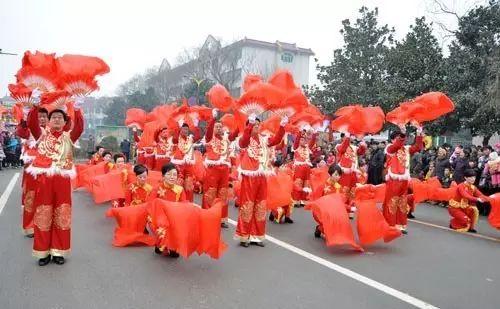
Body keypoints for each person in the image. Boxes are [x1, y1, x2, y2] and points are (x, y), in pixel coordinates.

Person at [27, 104, 84, 266]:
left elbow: (79, 128)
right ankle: (42, 252)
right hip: (44, 180)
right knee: (43, 214)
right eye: (54, 118)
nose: (57, 119)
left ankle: (59, 250)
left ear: (65, 122)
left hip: (62, 180)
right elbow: (31, 123)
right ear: (49, 122)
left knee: (62, 214)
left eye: (60, 117)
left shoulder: (69, 137)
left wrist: (78, 109)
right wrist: (34, 107)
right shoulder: (41, 134)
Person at [235, 114, 286, 247]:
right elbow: (244, 142)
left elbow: (276, 140)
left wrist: (282, 126)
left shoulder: (264, 140)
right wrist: (250, 125)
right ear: (249, 126)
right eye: (254, 124)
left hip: (262, 176)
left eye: (258, 124)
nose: (257, 126)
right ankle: (244, 236)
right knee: (248, 205)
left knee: (260, 206)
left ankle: (256, 236)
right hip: (250, 176)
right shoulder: (244, 139)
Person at [383, 125, 423, 234]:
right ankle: (390, 225)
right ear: (392, 139)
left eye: (402, 138)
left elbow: (418, 147)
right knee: (392, 202)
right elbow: (397, 145)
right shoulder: (389, 148)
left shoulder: (406, 149)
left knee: (402, 202)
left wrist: (419, 133)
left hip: (404, 179)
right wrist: (402, 133)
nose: (401, 140)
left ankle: (400, 225)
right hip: (394, 179)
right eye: (398, 137)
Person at [202, 109, 238, 228]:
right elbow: (208, 131)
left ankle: (222, 218)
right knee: (210, 192)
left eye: (220, 127)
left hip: (224, 170)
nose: (218, 128)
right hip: (212, 170)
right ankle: (208, 216)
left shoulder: (226, 139)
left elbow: (234, 136)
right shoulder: (209, 138)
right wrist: (213, 119)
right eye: (216, 127)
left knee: (223, 194)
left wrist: (239, 126)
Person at [16, 107, 49, 237]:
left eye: (44, 117)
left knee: (45, 197)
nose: (41, 119)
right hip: (32, 168)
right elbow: (21, 132)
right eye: (39, 116)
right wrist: (26, 116)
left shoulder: (52, 131)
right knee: (31, 196)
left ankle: (43, 224)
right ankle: (30, 226)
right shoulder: (29, 130)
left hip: (47, 168)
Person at [335, 133, 367, 212]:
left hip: (353, 172)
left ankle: (350, 209)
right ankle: (341, 209)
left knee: (352, 191)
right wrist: (347, 138)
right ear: (343, 138)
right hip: (343, 172)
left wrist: (362, 144)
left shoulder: (354, 147)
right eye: (348, 137)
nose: (351, 138)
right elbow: (343, 149)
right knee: (343, 191)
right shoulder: (339, 146)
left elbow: (361, 152)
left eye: (352, 136)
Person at [171, 123, 202, 202]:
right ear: (180, 130)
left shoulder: (190, 139)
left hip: (188, 165)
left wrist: (195, 125)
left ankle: (188, 203)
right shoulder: (176, 139)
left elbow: (198, 136)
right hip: (179, 165)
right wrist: (178, 126)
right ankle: (177, 202)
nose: (185, 131)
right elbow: (174, 138)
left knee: (189, 185)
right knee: (178, 185)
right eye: (184, 129)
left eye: (187, 129)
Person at [291, 130, 316, 208]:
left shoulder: (308, 147)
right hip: (298, 168)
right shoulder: (296, 146)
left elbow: (312, 141)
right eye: (302, 139)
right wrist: (300, 131)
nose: (303, 141)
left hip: (307, 168)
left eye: (304, 139)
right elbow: (297, 140)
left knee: (306, 184)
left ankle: (303, 199)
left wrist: (314, 133)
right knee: (298, 183)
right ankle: (296, 200)